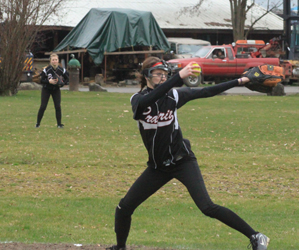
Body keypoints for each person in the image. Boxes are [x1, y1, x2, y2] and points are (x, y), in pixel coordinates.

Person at [107, 57, 270, 250]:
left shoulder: (173, 96)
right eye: (157, 73)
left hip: (183, 162)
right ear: (146, 76)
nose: (162, 77)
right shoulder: (138, 100)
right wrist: (177, 77)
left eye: (164, 74)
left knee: (207, 207)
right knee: (124, 208)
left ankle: (256, 236)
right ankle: (120, 247)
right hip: (158, 168)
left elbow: (206, 91)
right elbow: (150, 99)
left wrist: (241, 81)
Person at [35, 53, 69, 128]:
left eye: (56, 60)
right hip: (46, 89)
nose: (54, 61)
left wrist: (62, 83)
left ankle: (59, 124)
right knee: (43, 106)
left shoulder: (61, 70)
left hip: (56, 89)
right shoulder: (46, 70)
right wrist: (48, 81)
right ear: (50, 61)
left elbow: (67, 79)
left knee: (57, 106)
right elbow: (41, 80)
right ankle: (37, 123)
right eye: (53, 60)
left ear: (58, 61)